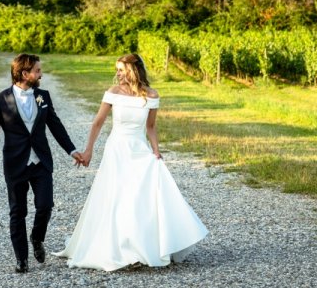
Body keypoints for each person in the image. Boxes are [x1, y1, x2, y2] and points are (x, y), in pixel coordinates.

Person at [55, 53, 208, 271]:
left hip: (139, 149)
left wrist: (156, 151)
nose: (117, 74)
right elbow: (98, 123)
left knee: (139, 196)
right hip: (117, 149)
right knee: (118, 196)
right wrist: (89, 150)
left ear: (132, 71)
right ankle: (119, 248)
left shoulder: (152, 95)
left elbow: (151, 128)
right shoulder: (113, 93)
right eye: (116, 70)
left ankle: (140, 247)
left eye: (121, 70)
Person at [0, 53, 84, 274]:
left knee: (45, 206)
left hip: (41, 162)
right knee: (17, 212)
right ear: (24, 73)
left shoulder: (43, 96)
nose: (41, 74)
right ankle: (22, 259)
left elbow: (55, 125)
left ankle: (37, 238)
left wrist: (72, 150)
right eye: (37, 71)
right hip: (15, 163)